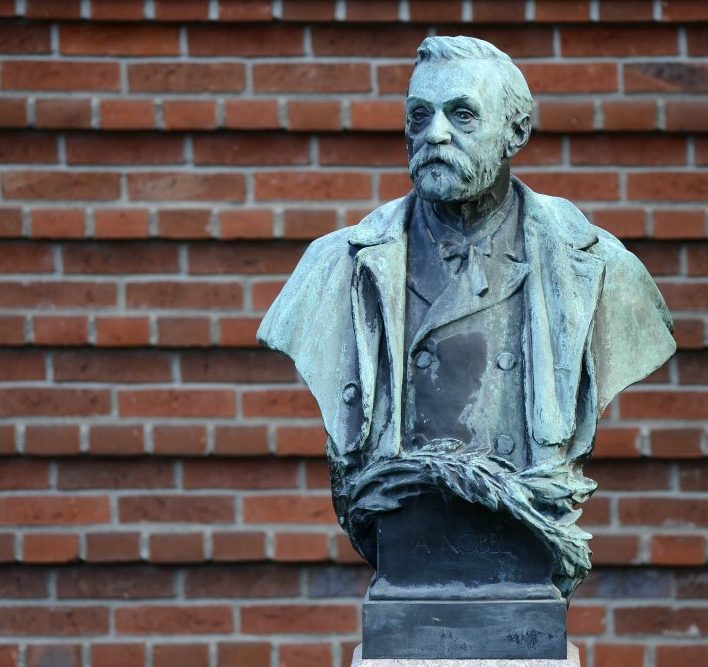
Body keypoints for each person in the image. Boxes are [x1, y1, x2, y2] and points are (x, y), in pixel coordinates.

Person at [258, 36, 675, 599]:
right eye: (419, 116)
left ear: (516, 133)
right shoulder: (337, 267)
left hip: (520, 554)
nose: (434, 134)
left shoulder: (598, 270)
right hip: (408, 547)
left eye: (462, 115)